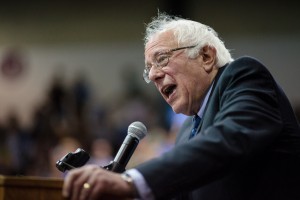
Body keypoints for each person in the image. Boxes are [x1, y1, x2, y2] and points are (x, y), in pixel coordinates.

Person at [62, 13, 300, 200]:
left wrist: (131, 182)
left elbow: (230, 139)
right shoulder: (186, 132)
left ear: (206, 57)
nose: (154, 75)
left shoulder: (244, 76)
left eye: (162, 59)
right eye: (149, 69)